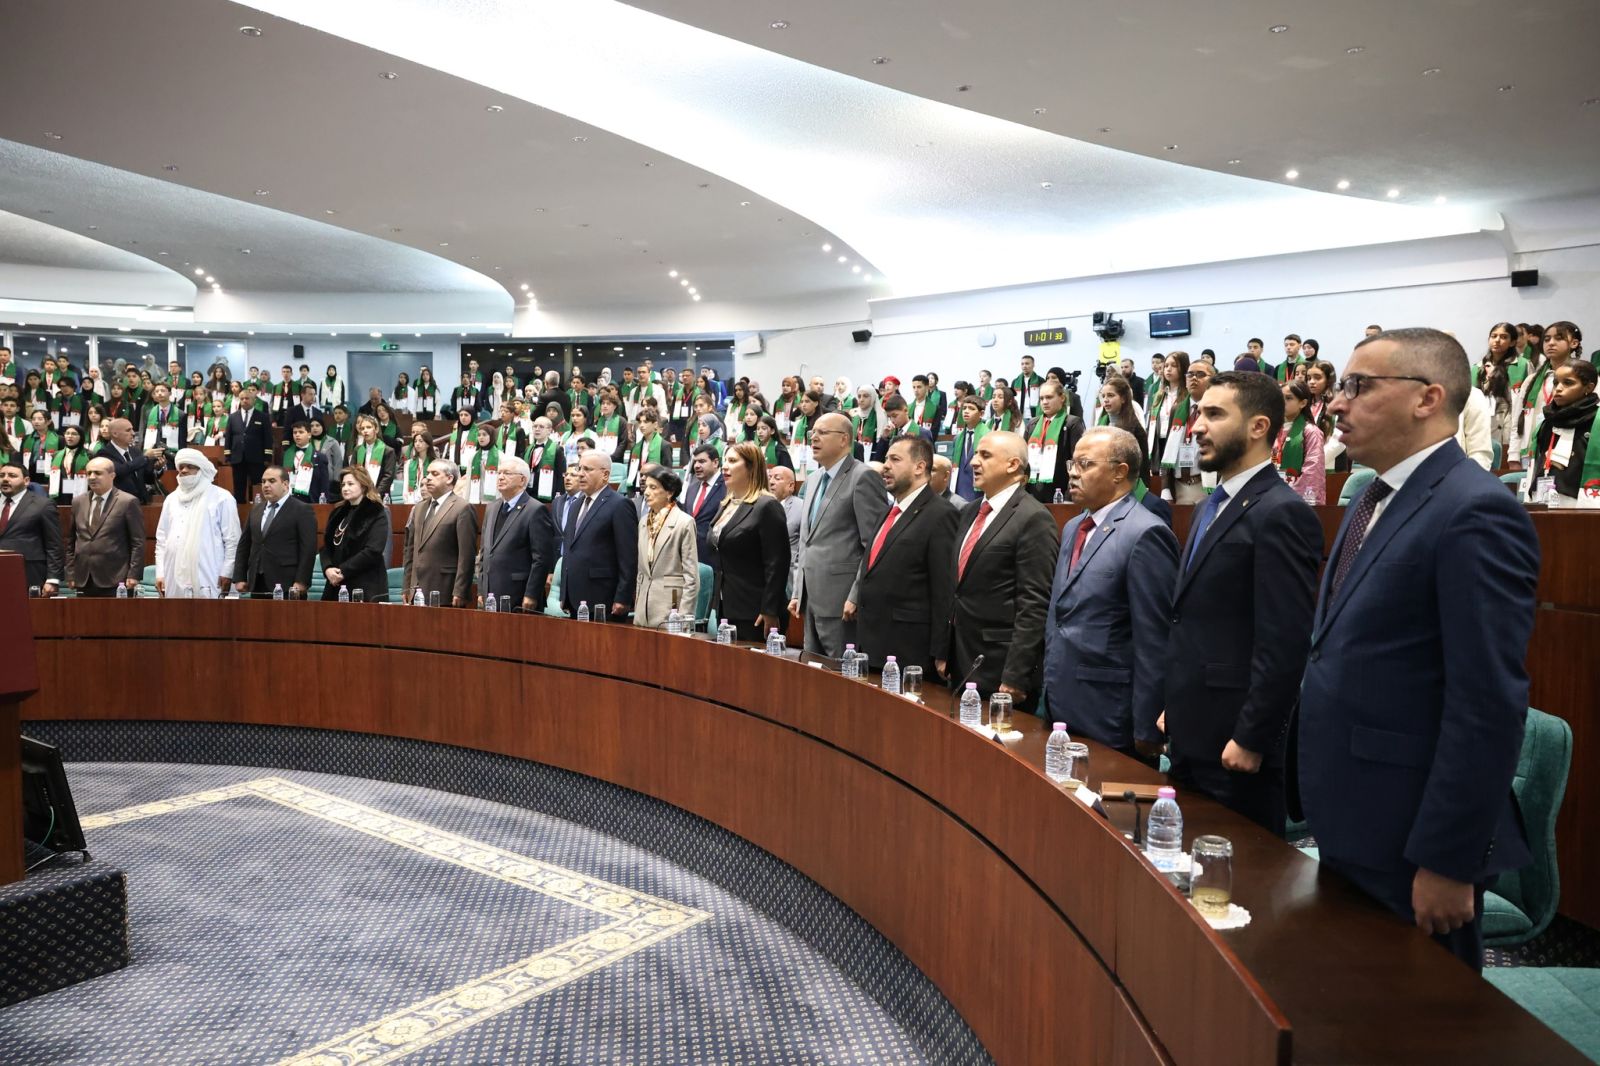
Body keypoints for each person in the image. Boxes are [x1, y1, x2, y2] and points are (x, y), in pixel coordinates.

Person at [1300, 328, 1538, 971]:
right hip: (1352, 809)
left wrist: (1449, 858)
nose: (1337, 402)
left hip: (1413, 835)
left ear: (1427, 398)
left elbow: (1486, 702)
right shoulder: (1370, 497)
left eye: (1358, 386)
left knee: (1418, 1011)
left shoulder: (1475, 509)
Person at [1158, 371, 1323, 833]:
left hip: (1236, 744)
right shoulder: (1209, 506)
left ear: (1258, 426)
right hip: (1192, 730)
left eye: (1214, 414)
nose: (1197, 427)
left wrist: (1253, 737)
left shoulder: (1282, 511)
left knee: (1238, 871)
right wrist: (1177, 705)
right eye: (1198, 414)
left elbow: (1284, 641)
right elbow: (1194, 619)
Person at [1041, 427, 1177, 758]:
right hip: (1060, 699)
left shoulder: (1146, 532)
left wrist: (1146, 724)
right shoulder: (1074, 526)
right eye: (1072, 464)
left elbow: (1155, 639)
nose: (1073, 473)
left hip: (1109, 712)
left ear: (1120, 472)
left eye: (1085, 464)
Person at [939, 430, 1058, 711]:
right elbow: (956, 589)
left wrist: (1016, 674)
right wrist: (944, 649)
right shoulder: (970, 512)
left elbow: (1034, 603)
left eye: (985, 455)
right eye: (976, 454)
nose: (973, 462)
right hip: (960, 661)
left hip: (1000, 668)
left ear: (1013, 464)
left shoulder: (1034, 517)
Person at [843, 435, 958, 675]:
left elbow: (944, 590)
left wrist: (942, 650)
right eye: (886, 459)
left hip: (910, 652)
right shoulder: (888, 512)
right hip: (871, 644)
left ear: (919, 467)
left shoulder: (940, 514)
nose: (886, 466)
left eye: (895, 459)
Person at [788, 412, 891, 657]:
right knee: (812, 670)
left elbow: (874, 546)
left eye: (822, 433)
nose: (814, 438)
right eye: (812, 432)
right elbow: (807, 541)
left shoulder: (863, 477)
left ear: (844, 439)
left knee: (840, 673)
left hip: (842, 601)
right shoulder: (813, 479)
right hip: (810, 599)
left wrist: (856, 596)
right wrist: (798, 591)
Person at [706, 442, 791, 642]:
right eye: (725, 461)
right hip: (726, 606)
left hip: (756, 611)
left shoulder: (767, 506)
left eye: (732, 461)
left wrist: (769, 609)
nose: (725, 466)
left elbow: (777, 563)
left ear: (751, 467)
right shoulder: (726, 504)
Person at [560, 450, 638, 621]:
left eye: (587, 469)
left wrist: (623, 597)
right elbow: (570, 549)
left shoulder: (620, 505)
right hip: (574, 598)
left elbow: (628, 557)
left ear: (605, 475)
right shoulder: (576, 504)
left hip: (604, 598)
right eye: (580, 468)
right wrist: (564, 593)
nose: (580, 474)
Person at [154, 448, 240, 598]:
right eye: (181, 467)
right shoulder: (171, 499)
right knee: (174, 612)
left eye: (190, 466)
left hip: (210, 572)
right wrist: (160, 573)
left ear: (202, 469)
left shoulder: (222, 497)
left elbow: (232, 539)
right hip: (172, 574)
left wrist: (227, 571)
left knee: (210, 611)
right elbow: (162, 540)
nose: (184, 470)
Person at [396, 460, 477, 608]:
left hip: (445, 589)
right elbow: (410, 551)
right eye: (427, 474)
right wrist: (407, 586)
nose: (428, 478)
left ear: (449, 478)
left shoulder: (462, 508)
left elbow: (466, 555)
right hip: (415, 590)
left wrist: (460, 590)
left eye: (434, 474)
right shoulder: (419, 508)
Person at [232, 466, 318, 598]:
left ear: (285, 484)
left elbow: (308, 549)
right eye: (263, 481)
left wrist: (302, 581)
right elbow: (244, 545)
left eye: (272, 481)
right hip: (257, 582)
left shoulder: (302, 510)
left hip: (288, 584)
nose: (266, 485)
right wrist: (240, 577)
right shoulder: (255, 510)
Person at [1523, 359, 1599, 506]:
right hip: (1543, 499)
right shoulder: (1546, 422)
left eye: (1568, 383)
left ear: (1589, 387)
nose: (1558, 388)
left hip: (1584, 504)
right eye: (1556, 383)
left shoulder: (1596, 421)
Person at [65, 456, 144, 597]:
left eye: (98, 473)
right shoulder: (78, 502)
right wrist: (71, 573)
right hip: (84, 578)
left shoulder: (127, 502)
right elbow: (71, 541)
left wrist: (134, 574)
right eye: (89, 473)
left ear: (112, 476)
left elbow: (137, 542)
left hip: (116, 578)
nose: (92, 477)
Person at [634, 464, 700, 629]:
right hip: (642, 610)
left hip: (671, 608)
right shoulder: (643, 522)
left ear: (669, 493)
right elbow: (642, 571)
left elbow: (691, 577)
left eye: (653, 487)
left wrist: (684, 618)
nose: (646, 492)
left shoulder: (684, 522)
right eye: (646, 487)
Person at [320, 466, 392, 602]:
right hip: (335, 583)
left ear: (363, 486)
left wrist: (343, 571)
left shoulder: (376, 511)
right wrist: (328, 569)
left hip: (365, 584)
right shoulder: (338, 512)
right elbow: (326, 547)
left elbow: (373, 550)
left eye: (350, 484)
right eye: (343, 485)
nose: (345, 488)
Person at [0, 458, 65, 594]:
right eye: (2, 475)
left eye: (12, 476)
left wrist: (53, 579)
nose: (5, 479)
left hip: (29, 573)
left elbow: (54, 545)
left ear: (26, 481)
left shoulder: (43, 505)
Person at [1025, 381, 1086, 503]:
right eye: (1041, 398)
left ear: (1062, 398)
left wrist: (1069, 495)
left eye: (1049, 397)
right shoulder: (1032, 424)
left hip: (1060, 489)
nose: (1044, 402)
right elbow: (1024, 458)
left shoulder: (1072, 423)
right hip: (1033, 489)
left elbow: (1077, 461)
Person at [1274, 381, 1327, 503]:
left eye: (1288, 398)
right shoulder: (1274, 430)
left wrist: (1290, 497)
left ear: (1303, 403)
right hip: (1273, 494)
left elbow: (1313, 470)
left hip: (1297, 499)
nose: (1282, 402)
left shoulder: (1311, 432)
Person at [224, 383, 273, 503]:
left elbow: (268, 438)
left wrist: (267, 456)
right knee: (238, 487)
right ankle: (240, 509)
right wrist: (227, 454)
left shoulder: (262, 417)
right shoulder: (233, 417)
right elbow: (228, 437)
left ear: (254, 400)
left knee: (258, 486)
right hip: (237, 457)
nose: (244, 401)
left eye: (247, 398)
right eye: (242, 399)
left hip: (257, 458)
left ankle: (259, 509)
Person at [680, 443, 726, 560]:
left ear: (715, 463)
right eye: (695, 462)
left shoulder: (727, 487)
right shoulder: (692, 487)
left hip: (716, 556)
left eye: (702, 461)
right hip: (691, 555)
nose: (696, 466)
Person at [102, 416, 158, 503]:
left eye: (132, 429)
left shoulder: (136, 451)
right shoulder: (104, 453)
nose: (133, 433)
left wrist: (157, 468)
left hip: (142, 502)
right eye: (128, 430)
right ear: (115, 434)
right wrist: (144, 457)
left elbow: (148, 479)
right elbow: (120, 471)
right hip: (120, 503)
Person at [870, 395, 933, 463]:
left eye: (895, 416)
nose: (892, 420)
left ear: (906, 410)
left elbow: (929, 463)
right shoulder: (890, 434)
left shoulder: (922, 434)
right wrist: (884, 438)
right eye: (889, 417)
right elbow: (877, 461)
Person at [349, 413, 398, 499]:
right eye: (362, 428)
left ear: (376, 429)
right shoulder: (358, 450)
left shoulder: (388, 451)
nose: (365, 431)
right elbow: (352, 471)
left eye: (369, 427)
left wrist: (376, 493)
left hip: (380, 495)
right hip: (360, 494)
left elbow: (388, 476)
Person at [767, 465, 804, 566]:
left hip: (790, 569)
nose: (771, 482)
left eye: (777, 478)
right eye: (769, 477)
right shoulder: (759, 505)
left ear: (790, 486)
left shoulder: (801, 507)